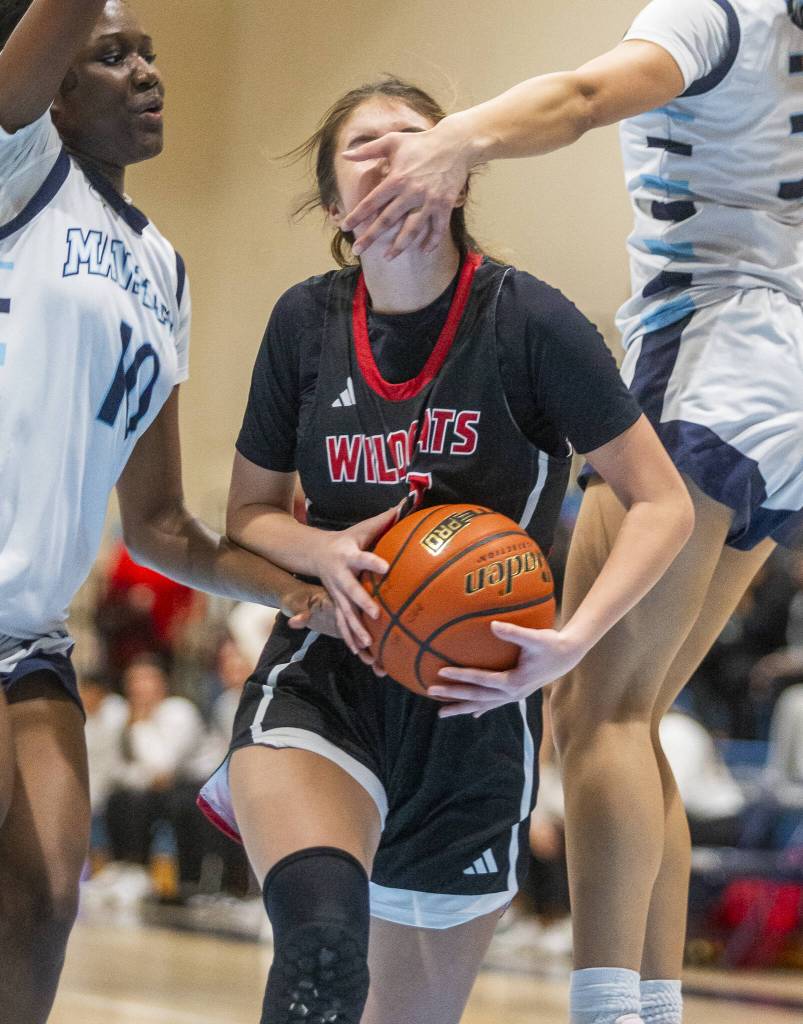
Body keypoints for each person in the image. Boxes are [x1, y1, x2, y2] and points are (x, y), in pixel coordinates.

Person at [337, 4, 803, 1023]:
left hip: (716, 351)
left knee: (593, 714)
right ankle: (651, 1006)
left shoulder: (718, 11)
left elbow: (586, 95)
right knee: (635, 715)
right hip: (783, 387)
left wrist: (459, 140)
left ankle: (603, 1010)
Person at [198, 76, 692, 1024]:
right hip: (325, 676)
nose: (391, 153)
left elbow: (660, 502)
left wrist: (572, 641)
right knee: (321, 955)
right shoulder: (304, 323)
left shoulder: (528, 321)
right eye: (363, 145)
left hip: (474, 712)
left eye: (414, 136)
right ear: (335, 206)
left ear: (457, 173)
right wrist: (321, 550)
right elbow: (249, 516)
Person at [0, 3, 333, 1020]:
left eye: (150, 53)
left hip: (32, 634)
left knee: (47, 896)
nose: (148, 72)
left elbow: (159, 525)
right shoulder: (19, 168)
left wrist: (295, 589)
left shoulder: (163, 268)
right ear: (54, 90)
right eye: (112, 55)